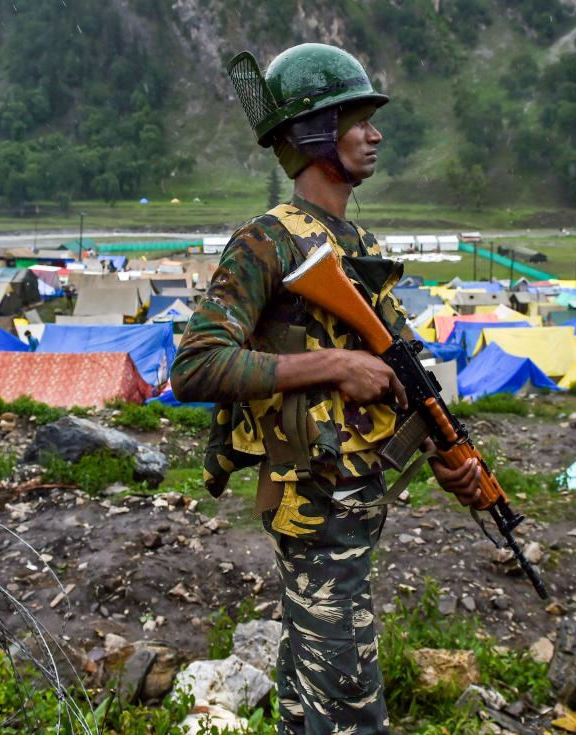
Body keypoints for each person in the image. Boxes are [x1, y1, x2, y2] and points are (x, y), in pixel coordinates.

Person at [171, 43, 481, 735]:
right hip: (312, 502)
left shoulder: (355, 238)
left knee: (306, 696)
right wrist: (334, 367)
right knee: (348, 707)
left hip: (354, 499)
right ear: (314, 133)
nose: (375, 134)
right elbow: (195, 365)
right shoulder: (266, 242)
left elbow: (404, 373)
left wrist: (451, 456)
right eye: (356, 119)